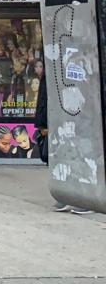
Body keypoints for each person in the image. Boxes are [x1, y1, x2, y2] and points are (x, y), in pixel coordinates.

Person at [36, 69, 92, 214]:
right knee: (66, 155)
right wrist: (42, 122)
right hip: (63, 114)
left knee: (83, 155)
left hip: (82, 114)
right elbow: (45, 94)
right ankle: (69, 194)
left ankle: (87, 197)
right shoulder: (55, 64)